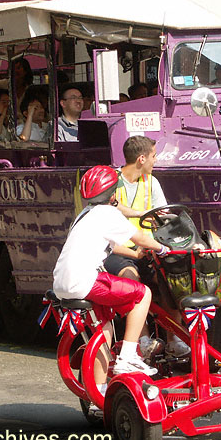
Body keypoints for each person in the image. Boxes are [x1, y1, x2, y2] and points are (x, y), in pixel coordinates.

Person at [53, 166, 171, 392]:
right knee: (142, 294)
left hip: (64, 282)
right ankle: (128, 356)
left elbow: (111, 244)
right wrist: (162, 248)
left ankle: (99, 391)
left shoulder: (85, 214)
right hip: (84, 280)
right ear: (114, 195)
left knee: (104, 328)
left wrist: (135, 254)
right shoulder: (108, 214)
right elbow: (140, 238)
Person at [105, 136, 190, 358]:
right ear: (141, 158)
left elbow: (162, 213)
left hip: (147, 249)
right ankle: (141, 340)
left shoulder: (151, 181)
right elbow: (111, 208)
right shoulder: (112, 180)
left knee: (169, 280)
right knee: (132, 280)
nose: (156, 160)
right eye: (153, 156)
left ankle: (174, 339)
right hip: (119, 250)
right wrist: (142, 215)